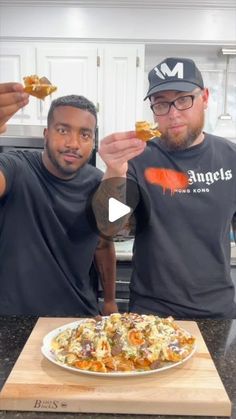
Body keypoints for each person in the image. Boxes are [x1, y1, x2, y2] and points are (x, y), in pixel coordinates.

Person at [98, 57, 236, 319]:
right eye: (161, 103)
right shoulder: (137, 158)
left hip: (217, 312)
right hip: (150, 314)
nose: (173, 114)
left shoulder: (231, 158)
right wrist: (114, 171)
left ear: (204, 98)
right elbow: (108, 225)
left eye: (184, 99)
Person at [0, 83, 118, 316]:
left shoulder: (99, 181)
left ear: (92, 141)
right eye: (63, 130)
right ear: (46, 134)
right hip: (15, 318)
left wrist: (110, 300)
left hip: (79, 317)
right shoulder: (15, 167)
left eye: (84, 134)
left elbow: (105, 242)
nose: (73, 144)